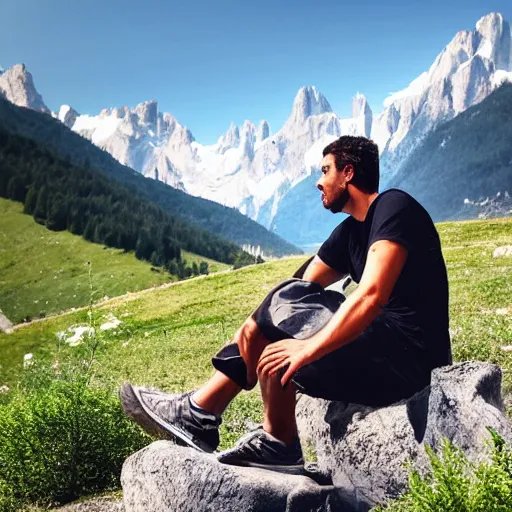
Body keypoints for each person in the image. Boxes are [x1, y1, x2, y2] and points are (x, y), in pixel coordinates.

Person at [120, 135, 452, 474]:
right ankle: (263, 436)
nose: (318, 182)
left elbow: (370, 296)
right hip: (376, 353)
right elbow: (297, 288)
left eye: (325, 170)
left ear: (348, 173)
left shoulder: (394, 207)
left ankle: (204, 415)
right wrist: (256, 327)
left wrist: (306, 347)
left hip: (410, 361)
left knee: (285, 330)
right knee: (278, 330)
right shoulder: (350, 233)